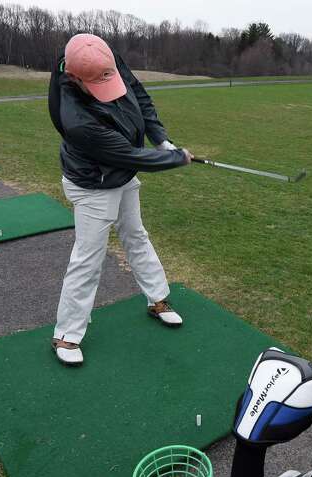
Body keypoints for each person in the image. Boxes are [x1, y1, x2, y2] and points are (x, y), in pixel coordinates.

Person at [47, 33, 193, 366]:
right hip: (94, 183)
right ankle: (66, 334)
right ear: (74, 78)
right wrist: (176, 158)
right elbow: (128, 155)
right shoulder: (77, 119)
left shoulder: (99, 54)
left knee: (136, 235)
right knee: (88, 257)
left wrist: (160, 136)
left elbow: (137, 93)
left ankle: (157, 299)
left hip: (122, 176)